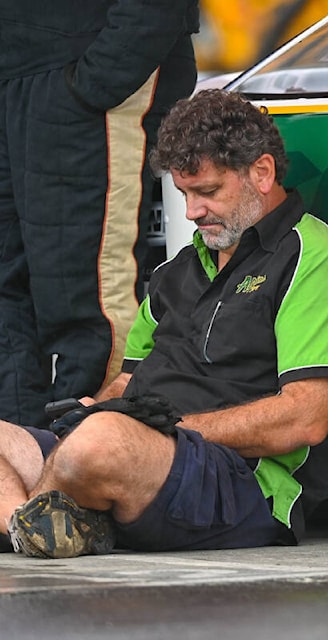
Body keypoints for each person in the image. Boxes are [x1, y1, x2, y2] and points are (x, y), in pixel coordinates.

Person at [0, 88, 328, 558]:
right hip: (140, 455)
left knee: (98, 444)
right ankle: (39, 525)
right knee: (55, 436)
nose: (192, 211)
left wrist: (167, 429)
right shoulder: (177, 270)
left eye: (208, 192)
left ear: (262, 172)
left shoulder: (314, 257)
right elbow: (129, 382)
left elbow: (306, 419)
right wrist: (96, 407)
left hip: (238, 480)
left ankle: (40, 519)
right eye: (184, 194)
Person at [0, 1, 200, 427]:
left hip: (83, 71)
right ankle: (20, 471)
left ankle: (91, 472)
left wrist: (98, 79)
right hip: (21, 74)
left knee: (88, 301)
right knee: (9, 299)